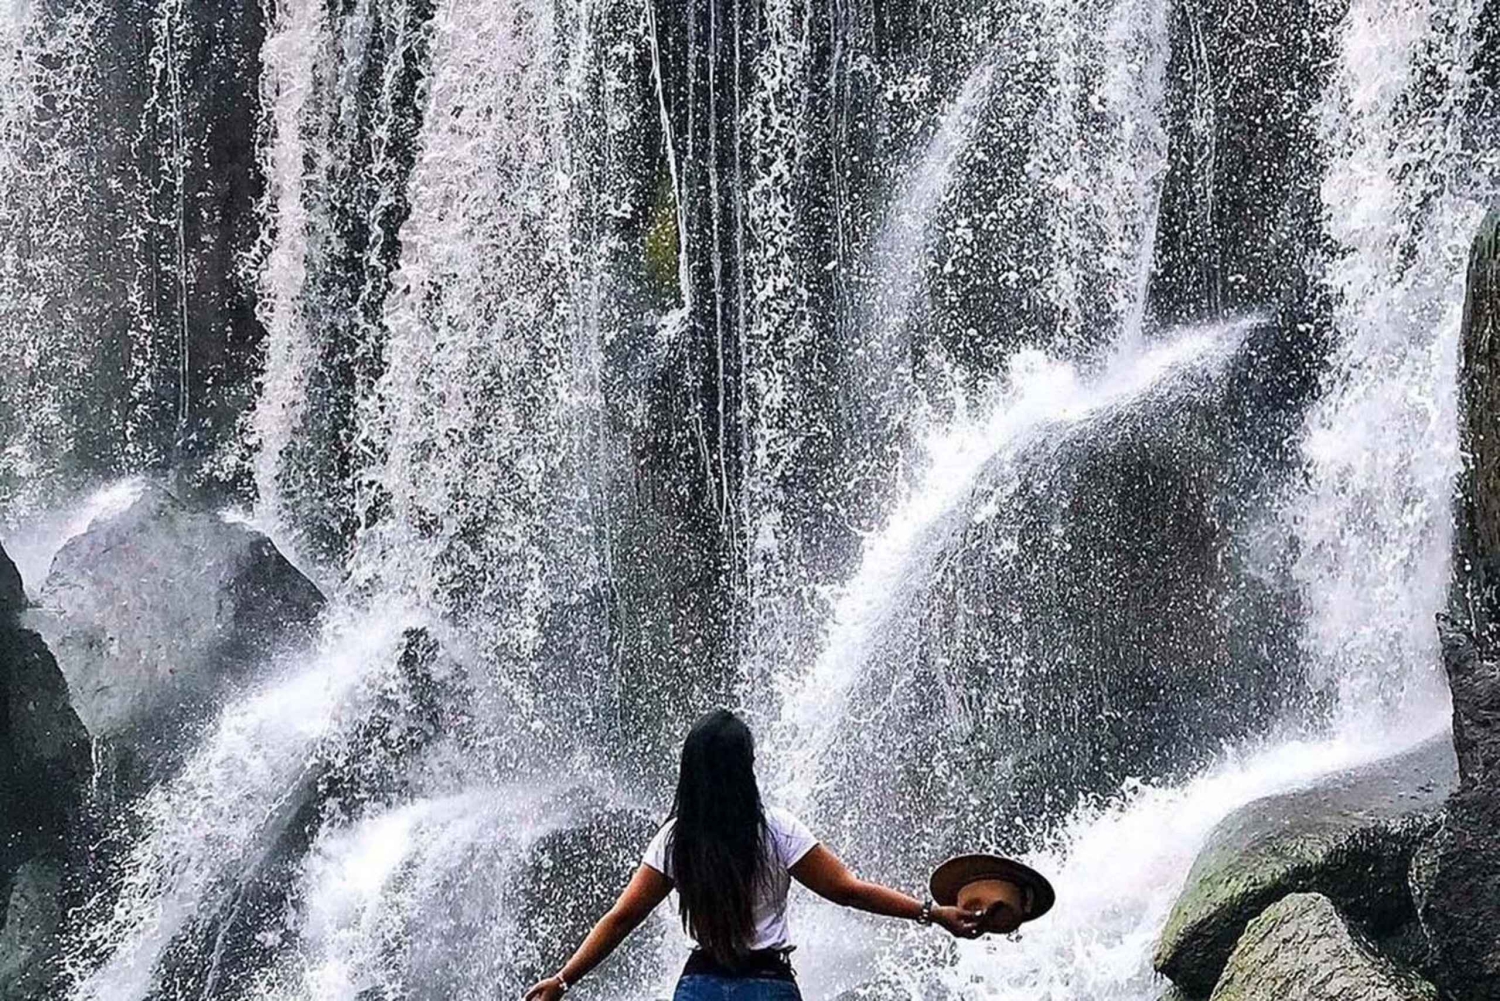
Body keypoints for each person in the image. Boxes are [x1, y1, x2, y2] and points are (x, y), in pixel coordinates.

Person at [522, 709, 986, 1001]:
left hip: (699, 987)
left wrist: (563, 980)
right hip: (769, 987)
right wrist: (932, 913)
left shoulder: (676, 840)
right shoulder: (777, 830)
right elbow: (848, 891)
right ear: (746, 767)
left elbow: (622, 918)